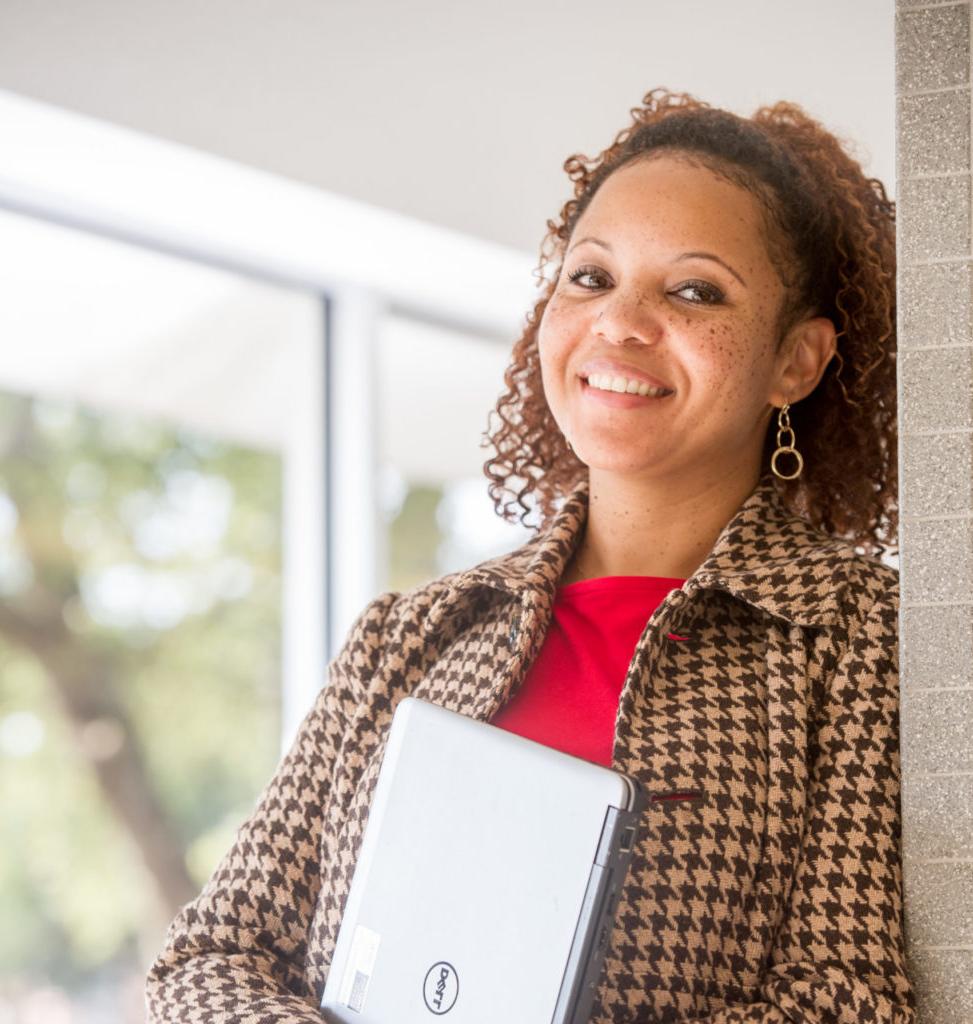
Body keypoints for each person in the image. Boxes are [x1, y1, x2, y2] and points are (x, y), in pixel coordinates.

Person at [145, 86, 915, 1024]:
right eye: (590, 277)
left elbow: (847, 999)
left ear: (796, 360)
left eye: (693, 290)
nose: (620, 322)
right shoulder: (409, 635)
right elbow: (212, 954)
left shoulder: (862, 638)